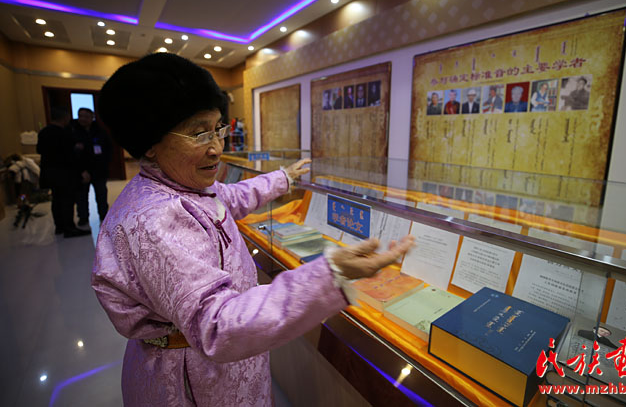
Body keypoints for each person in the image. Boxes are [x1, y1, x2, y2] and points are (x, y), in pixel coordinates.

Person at [92, 53, 415, 406]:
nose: (216, 148)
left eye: (218, 129)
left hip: (222, 369)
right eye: (198, 133)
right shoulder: (156, 220)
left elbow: (230, 197)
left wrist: (283, 178)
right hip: (191, 379)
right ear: (150, 145)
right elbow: (217, 324)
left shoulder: (184, 187)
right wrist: (328, 275)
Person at [37, 107, 90, 237]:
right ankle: (69, 228)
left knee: (56, 199)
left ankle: (59, 226)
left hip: (50, 172)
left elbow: (39, 150)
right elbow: (70, 156)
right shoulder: (64, 133)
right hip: (64, 173)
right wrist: (81, 170)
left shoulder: (44, 132)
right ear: (65, 117)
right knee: (67, 200)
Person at [71, 107, 112, 228]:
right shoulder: (73, 131)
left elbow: (108, 150)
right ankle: (83, 218)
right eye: (80, 116)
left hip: (99, 169)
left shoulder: (100, 131)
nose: (83, 119)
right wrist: (81, 171)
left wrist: (105, 165)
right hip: (81, 170)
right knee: (82, 196)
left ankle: (104, 215)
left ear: (92, 118)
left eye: (86, 116)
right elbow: (71, 155)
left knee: (101, 194)